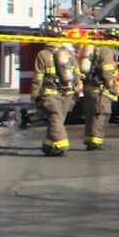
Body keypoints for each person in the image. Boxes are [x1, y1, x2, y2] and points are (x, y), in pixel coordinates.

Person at [30, 24, 80, 156]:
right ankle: (48, 145)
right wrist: (75, 90)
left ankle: (61, 147)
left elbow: (38, 77)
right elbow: (77, 73)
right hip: (67, 93)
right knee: (57, 120)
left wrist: (34, 94)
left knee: (55, 119)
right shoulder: (68, 53)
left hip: (50, 93)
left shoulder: (43, 54)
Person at [79, 27, 119, 150]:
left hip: (92, 89)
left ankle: (90, 140)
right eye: (115, 39)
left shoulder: (99, 48)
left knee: (92, 116)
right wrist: (112, 87)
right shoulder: (106, 51)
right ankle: (95, 143)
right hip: (100, 91)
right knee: (100, 115)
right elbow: (107, 73)